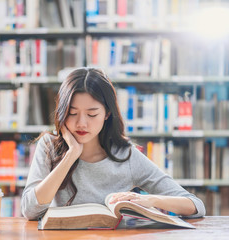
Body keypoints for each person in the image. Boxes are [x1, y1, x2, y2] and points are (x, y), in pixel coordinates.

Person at [21, 67, 205, 220]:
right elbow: (29, 211)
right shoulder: (49, 146)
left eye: (92, 114)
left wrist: (151, 200)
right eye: (72, 113)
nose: (81, 123)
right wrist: (71, 156)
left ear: (107, 114)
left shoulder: (126, 156)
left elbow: (196, 205)